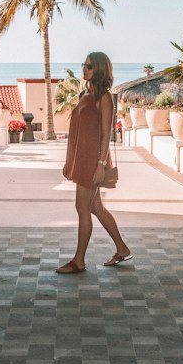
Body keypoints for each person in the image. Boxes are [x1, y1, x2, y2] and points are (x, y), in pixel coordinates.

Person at [56, 51, 132, 274]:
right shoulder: (84, 94)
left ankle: (79, 261)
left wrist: (100, 164)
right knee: (95, 207)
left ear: (98, 69)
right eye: (83, 64)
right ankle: (122, 248)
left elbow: (106, 134)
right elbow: (78, 131)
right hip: (82, 158)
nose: (84, 68)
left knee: (82, 208)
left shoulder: (104, 98)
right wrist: (70, 161)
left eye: (89, 66)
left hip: (93, 160)